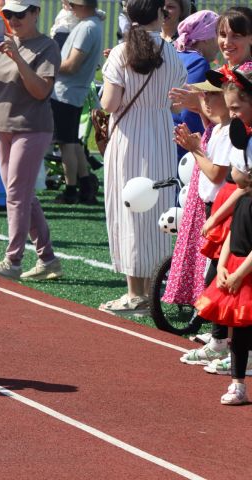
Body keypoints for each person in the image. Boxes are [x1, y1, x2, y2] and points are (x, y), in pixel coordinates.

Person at [98, 0, 187, 315]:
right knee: (157, 212)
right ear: (160, 14)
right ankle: (154, 288)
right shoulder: (172, 52)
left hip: (128, 137)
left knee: (128, 210)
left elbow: (109, 103)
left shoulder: (122, 53)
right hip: (160, 134)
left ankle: (135, 293)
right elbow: (178, 104)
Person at [0, 0, 64, 281]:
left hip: (32, 127)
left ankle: (13, 260)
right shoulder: (0, 42)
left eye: (20, 13)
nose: (14, 19)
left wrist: (18, 59)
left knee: (16, 194)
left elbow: (41, 91)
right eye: (8, 14)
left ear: (36, 13)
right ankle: (47, 259)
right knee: (22, 195)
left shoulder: (48, 46)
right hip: (2, 126)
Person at [195, 72, 252, 404]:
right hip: (242, 230)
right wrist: (223, 265)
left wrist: (242, 270)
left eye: (236, 108)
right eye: (228, 109)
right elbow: (241, 188)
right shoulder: (243, 141)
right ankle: (238, 383)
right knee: (241, 324)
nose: (232, 115)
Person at [171, 78, 231, 367]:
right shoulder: (218, 128)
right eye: (203, 95)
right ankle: (220, 340)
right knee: (214, 278)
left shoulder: (232, 131)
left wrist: (194, 149)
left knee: (218, 278)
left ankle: (224, 342)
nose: (205, 100)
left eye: (212, 95)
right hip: (213, 208)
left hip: (225, 210)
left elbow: (218, 175)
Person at [50, 0, 103, 205]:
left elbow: (71, 66)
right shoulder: (93, 24)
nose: (69, 8)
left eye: (72, 4)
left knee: (66, 144)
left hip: (66, 92)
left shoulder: (87, 27)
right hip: (73, 92)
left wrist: (47, 63)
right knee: (72, 141)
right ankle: (85, 183)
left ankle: (71, 189)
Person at [170, 10, 219, 159]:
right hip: (182, 144)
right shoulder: (198, 62)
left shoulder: (174, 54)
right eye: (218, 36)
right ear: (205, 38)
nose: (220, 44)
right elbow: (190, 112)